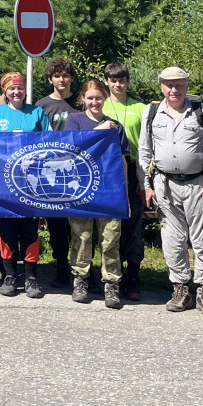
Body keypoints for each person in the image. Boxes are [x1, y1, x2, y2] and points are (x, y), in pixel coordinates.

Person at [137, 66, 203, 316]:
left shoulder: (201, 110)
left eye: (179, 85)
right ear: (161, 86)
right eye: (169, 85)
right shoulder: (152, 111)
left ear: (187, 85)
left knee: (202, 238)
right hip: (164, 185)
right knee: (172, 239)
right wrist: (146, 184)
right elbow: (144, 151)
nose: (174, 90)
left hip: (198, 183)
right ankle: (180, 288)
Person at [0, 72, 52, 298]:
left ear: (25, 90)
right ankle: (9, 276)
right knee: (7, 230)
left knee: (30, 230)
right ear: (5, 91)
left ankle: (31, 278)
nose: (16, 92)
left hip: (31, 184)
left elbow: (50, 142)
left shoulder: (37, 113)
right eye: (11, 88)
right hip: (4, 184)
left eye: (20, 88)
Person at [65, 79, 129, 309]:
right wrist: (99, 130)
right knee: (81, 238)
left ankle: (111, 284)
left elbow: (122, 160)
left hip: (109, 191)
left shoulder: (116, 125)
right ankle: (80, 279)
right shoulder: (74, 120)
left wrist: (125, 195)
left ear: (105, 98)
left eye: (98, 98)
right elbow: (70, 148)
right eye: (90, 98)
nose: (95, 102)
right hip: (80, 189)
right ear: (83, 99)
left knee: (110, 239)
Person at [102, 62, 148, 300]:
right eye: (113, 80)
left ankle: (133, 276)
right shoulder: (101, 104)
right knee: (111, 227)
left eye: (122, 80)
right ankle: (112, 276)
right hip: (107, 172)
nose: (117, 84)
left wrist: (144, 180)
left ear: (128, 82)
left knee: (132, 226)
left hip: (133, 169)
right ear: (106, 81)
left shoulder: (140, 108)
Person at [36, 56, 79, 286]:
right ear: (50, 79)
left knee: (80, 224)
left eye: (65, 75)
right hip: (51, 173)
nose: (62, 79)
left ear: (71, 77)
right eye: (57, 76)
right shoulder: (42, 105)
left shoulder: (81, 101)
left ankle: (82, 269)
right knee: (57, 225)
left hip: (78, 171)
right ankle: (61, 265)